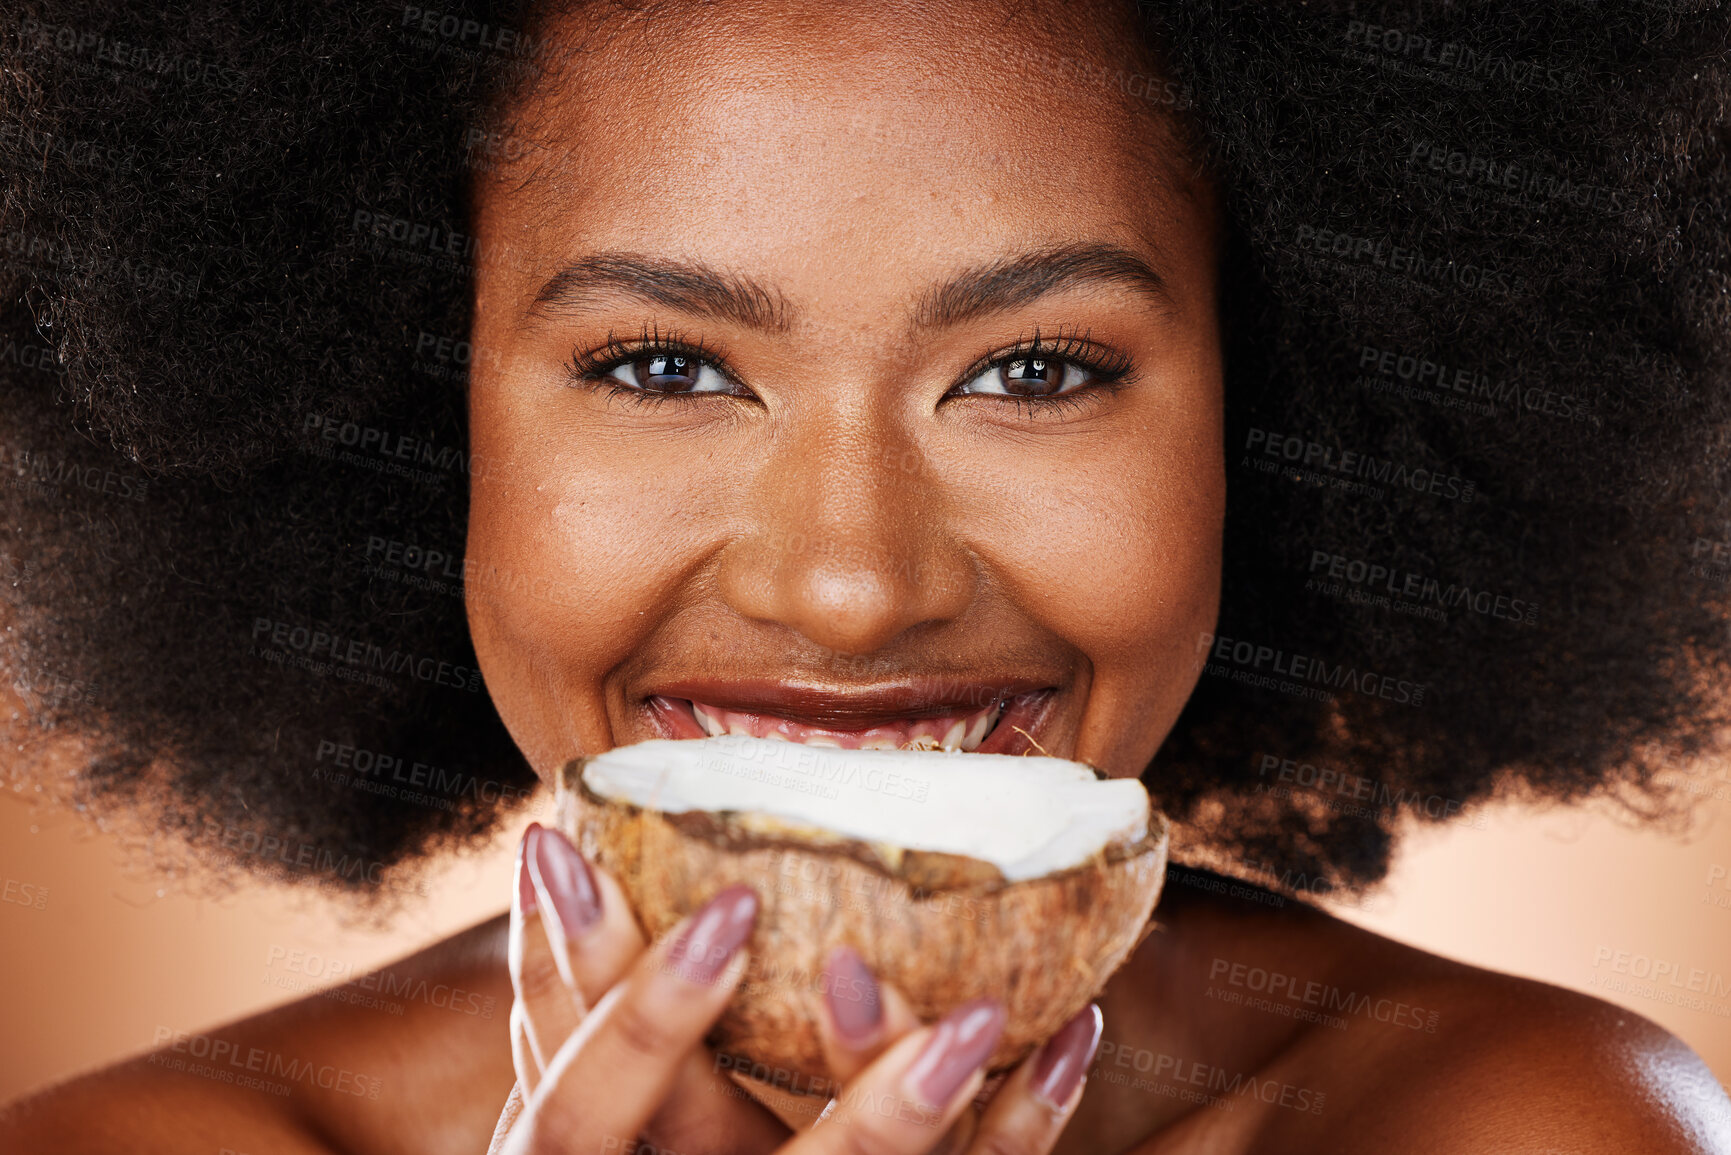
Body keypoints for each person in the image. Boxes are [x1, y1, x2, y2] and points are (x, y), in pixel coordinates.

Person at [3, 0, 1730, 1150]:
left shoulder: (1525, 1124)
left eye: (1035, 369)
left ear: (1275, 415)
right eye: (664, 367)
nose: (848, 586)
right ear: (409, 406)